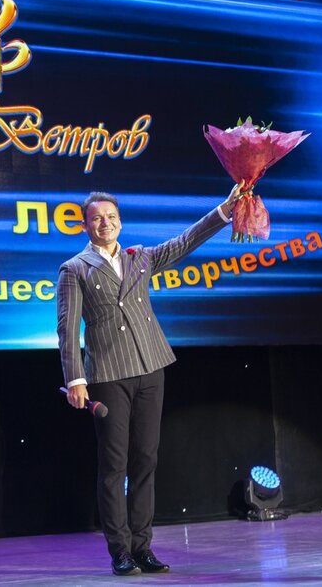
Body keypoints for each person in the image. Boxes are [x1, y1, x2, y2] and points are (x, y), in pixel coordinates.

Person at [57, 186, 239, 576]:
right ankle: (120, 551)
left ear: (120, 222)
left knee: (146, 460)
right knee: (114, 464)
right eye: (97, 218)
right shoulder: (75, 269)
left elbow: (185, 242)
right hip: (108, 374)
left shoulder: (139, 257)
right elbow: (67, 329)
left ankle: (142, 547)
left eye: (111, 217)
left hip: (150, 367)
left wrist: (224, 210)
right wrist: (75, 379)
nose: (105, 223)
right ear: (85, 226)